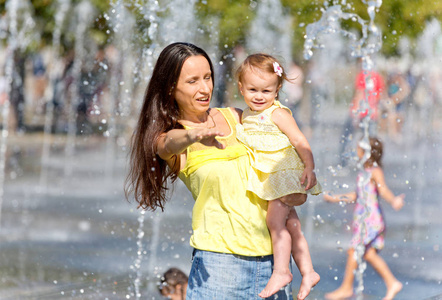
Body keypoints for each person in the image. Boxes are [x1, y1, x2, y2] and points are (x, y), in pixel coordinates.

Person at [125, 42, 290, 299]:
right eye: (192, 81)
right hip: (220, 268)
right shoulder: (172, 138)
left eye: (208, 77)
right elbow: (167, 144)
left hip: (273, 264)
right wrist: (194, 135)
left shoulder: (238, 116)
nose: (205, 88)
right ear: (171, 87)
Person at [235, 53, 322, 299]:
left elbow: (299, 140)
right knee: (292, 225)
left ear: (278, 89)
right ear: (241, 88)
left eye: (267, 90)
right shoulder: (247, 113)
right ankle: (308, 271)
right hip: (274, 179)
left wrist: (309, 167)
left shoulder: (277, 113)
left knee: (274, 223)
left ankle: (281, 271)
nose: (259, 96)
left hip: (285, 175)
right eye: (253, 89)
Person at [324, 137, 405, 300]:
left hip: (371, 220)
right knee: (368, 254)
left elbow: (383, 190)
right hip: (363, 219)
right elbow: (357, 195)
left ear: (367, 153)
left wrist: (394, 200)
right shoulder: (365, 172)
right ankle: (392, 283)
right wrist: (335, 197)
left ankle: (346, 288)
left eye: (359, 148)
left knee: (354, 250)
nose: (356, 151)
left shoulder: (375, 171)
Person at [340, 61, 385, 167]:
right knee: (371, 141)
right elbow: (379, 96)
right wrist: (377, 110)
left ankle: (343, 162)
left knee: (346, 137)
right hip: (371, 113)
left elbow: (360, 93)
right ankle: (372, 163)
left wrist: (355, 113)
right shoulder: (377, 77)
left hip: (359, 112)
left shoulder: (363, 75)